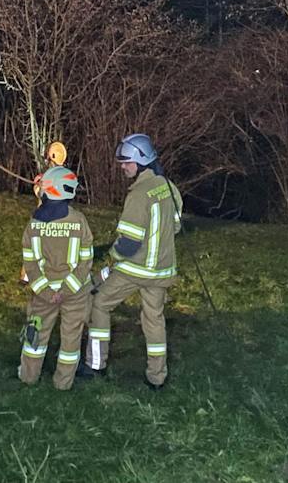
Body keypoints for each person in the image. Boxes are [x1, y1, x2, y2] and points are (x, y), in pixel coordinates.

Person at [81, 133, 183, 389]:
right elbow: (177, 226)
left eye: (126, 162)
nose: (123, 167)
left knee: (99, 303)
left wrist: (111, 258)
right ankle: (157, 377)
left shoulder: (138, 194)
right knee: (154, 320)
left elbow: (128, 244)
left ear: (140, 160)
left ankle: (96, 365)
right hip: (162, 271)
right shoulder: (168, 187)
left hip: (135, 269)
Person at [17, 164, 94, 390]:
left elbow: (30, 264)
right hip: (76, 294)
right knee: (71, 339)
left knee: (35, 336)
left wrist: (47, 292)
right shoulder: (79, 221)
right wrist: (67, 290)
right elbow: (85, 260)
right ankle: (63, 383)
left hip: (43, 295)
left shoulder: (33, 224)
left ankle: (28, 377)